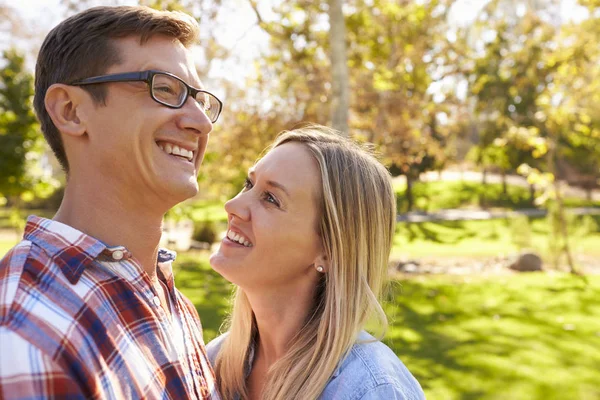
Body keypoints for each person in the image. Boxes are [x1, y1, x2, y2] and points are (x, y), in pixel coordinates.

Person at [0, 6, 222, 399]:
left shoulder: (172, 301)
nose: (201, 122)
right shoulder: (26, 334)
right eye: (164, 88)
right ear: (71, 111)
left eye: (199, 100)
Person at [207, 125, 425, 400]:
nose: (232, 206)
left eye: (271, 199)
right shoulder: (212, 364)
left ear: (329, 250)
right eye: (249, 184)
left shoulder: (371, 389)